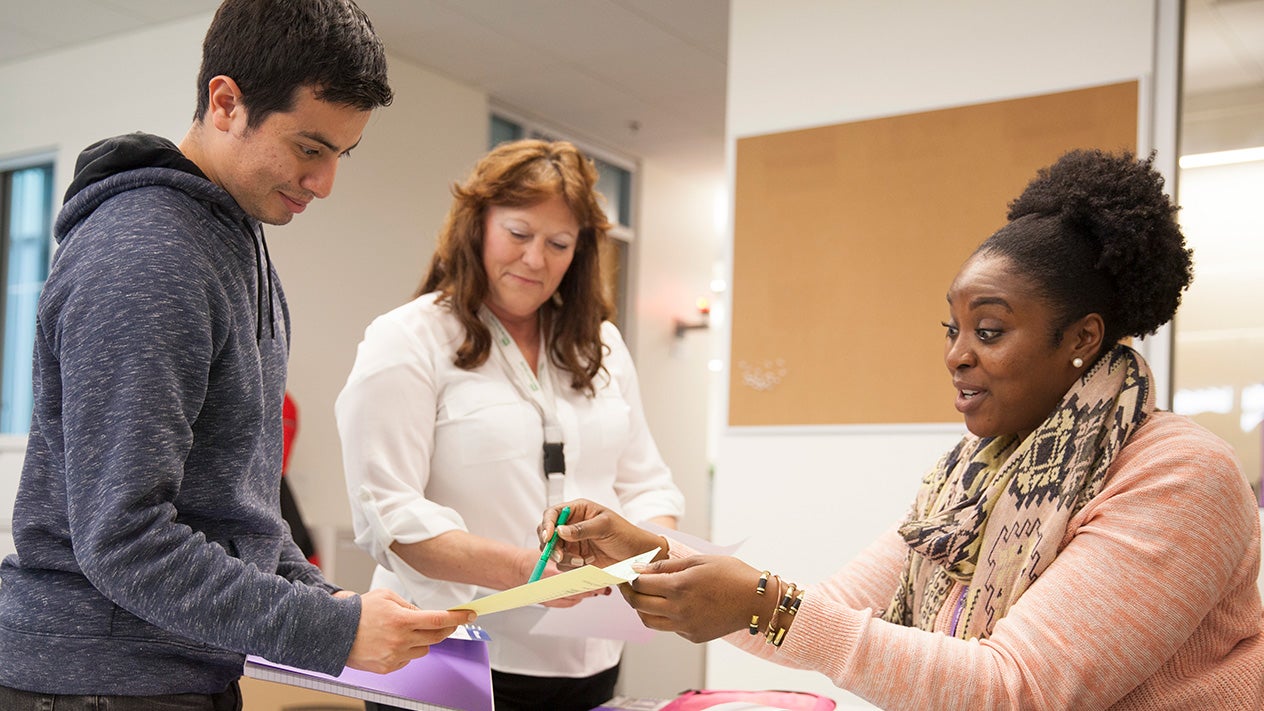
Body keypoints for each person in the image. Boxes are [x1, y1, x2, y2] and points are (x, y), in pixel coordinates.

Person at [541, 150, 1264, 709]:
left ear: (1082, 337)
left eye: (989, 329)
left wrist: (766, 602)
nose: (956, 353)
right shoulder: (972, 478)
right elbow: (822, 612)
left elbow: (1018, 690)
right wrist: (645, 554)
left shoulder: (1179, 474)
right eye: (953, 329)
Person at [0, 2, 472, 709]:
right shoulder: (148, 255)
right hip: (93, 683)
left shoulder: (234, 240)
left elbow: (236, 508)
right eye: (309, 148)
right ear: (226, 102)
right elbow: (124, 540)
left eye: (341, 155)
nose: (325, 183)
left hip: (177, 674)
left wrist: (326, 597)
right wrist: (333, 627)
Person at [336, 138, 686, 711]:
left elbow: (647, 482)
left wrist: (643, 555)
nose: (535, 259)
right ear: (476, 227)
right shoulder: (408, 338)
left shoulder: (602, 346)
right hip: (447, 652)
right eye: (519, 234)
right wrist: (530, 572)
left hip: (588, 656)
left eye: (559, 243)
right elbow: (389, 513)